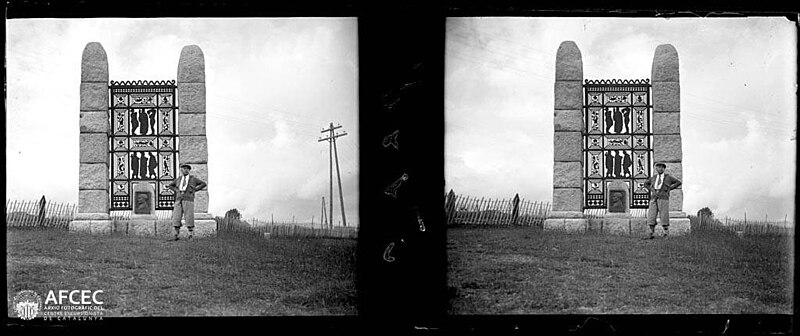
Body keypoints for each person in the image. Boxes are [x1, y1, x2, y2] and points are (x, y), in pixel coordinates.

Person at [167, 164, 207, 241]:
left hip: (188, 200)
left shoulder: (193, 179)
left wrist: (195, 189)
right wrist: (177, 190)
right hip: (178, 199)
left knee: (189, 216)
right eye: (184, 168)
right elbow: (171, 185)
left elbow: (203, 184)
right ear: (181, 170)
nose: (185, 170)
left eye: (187, 169)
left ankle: (190, 235)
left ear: (189, 171)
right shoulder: (178, 179)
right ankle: (176, 234)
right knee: (176, 216)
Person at [642, 162, 682, 239]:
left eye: (662, 167)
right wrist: (651, 189)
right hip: (654, 197)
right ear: (656, 168)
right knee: (651, 214)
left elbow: (678, 182)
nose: (660, 168)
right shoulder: (653, 177)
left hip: (663, 197)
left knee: (664, 215)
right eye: (659, 167)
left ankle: (666, 233)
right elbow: (646, 184)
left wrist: (669, 188)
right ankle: (651, 233)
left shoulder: (668, 177)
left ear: (664, 169)